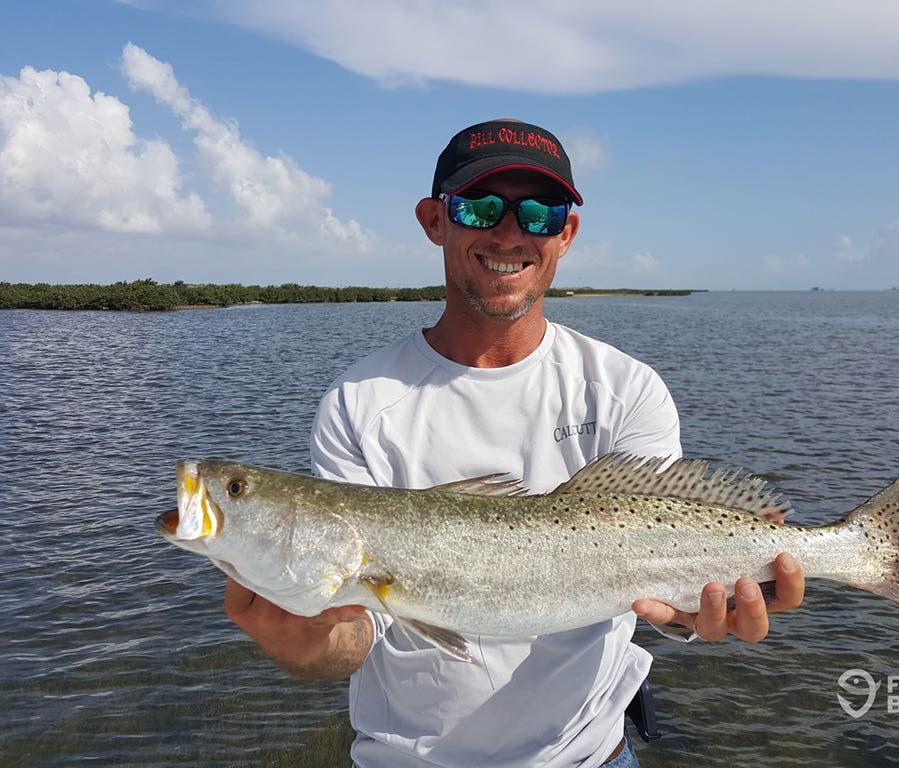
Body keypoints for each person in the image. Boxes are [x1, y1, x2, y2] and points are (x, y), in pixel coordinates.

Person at [224, 119, 805, 768]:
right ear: (435, 220)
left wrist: (701, 614)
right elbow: (364, 627)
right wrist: (310, 644)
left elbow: (654, 589)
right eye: (479, 207)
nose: (509, 233)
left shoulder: (625, 389)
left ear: (567, 233)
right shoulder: (358, 401)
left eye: (538, 211)